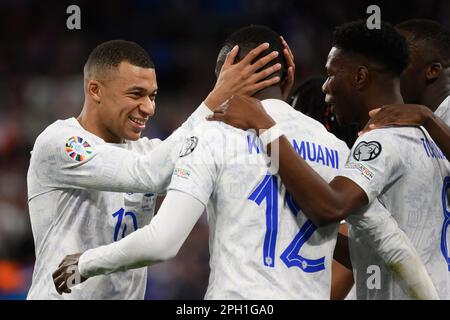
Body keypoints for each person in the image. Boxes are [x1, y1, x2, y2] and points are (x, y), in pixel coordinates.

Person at [52, 25, 435, 300]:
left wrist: (85, 262)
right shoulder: (335, 146)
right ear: (288, 74)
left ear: (227, 77)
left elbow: (163, 242)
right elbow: (394, 248)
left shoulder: (216, 132)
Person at [27, 39, 291, 299]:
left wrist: (278, 105)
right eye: (136, 94)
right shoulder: (60, 142)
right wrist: (217, 97)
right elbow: (149, 173)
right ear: (95, 90)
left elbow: (213, 153)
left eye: (152, 96)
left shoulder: (150, 151)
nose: (149, 108)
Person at [207, 20, 448, 299]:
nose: (325, 87)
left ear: (359, 77)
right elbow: (379, 251)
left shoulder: (380, 140)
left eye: (331, 74)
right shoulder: (427, 138)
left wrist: (265, 123)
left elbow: (330, 208)